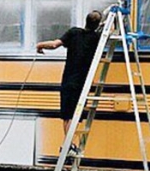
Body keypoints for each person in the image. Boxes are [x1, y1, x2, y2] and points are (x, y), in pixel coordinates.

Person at [36, 10, 103, 145]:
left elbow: (54, 44)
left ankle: (68, 144)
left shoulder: (74, 33)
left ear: (86, 20)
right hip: (81, 82)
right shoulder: (97, 38)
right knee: (74, 114)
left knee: (66, 115)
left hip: (67, 80)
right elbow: (111, 31)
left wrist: (40, 45)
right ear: (97, 25)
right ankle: (68, 144)